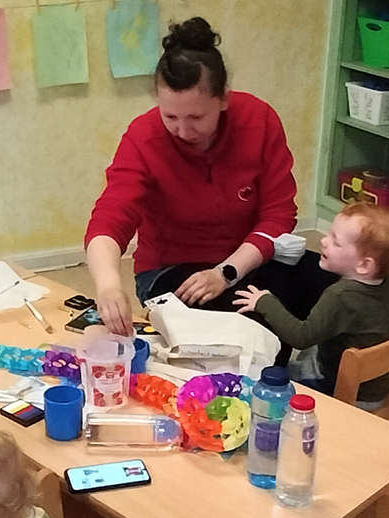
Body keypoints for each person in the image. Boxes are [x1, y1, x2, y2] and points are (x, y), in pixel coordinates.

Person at [85, 16, 337, 336]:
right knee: (251, 328)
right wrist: (108, 285)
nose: (183, 130)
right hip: (171, 270)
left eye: (196, 117)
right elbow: (111, 217)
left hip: (245, 259)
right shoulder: (143, 138)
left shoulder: (258, 120)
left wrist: (225, 273)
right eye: (170, 116)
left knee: (347, 294)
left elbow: (279, 214)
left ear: (224, 98)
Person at [234, 202, 389, 408]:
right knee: (315, 346)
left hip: (342, 387)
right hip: (378, 385)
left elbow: (301, 336)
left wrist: (265, 302)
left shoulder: (340, 296)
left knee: (267, 381)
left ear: (364, 265)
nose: (323, 241)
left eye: (336, 242)